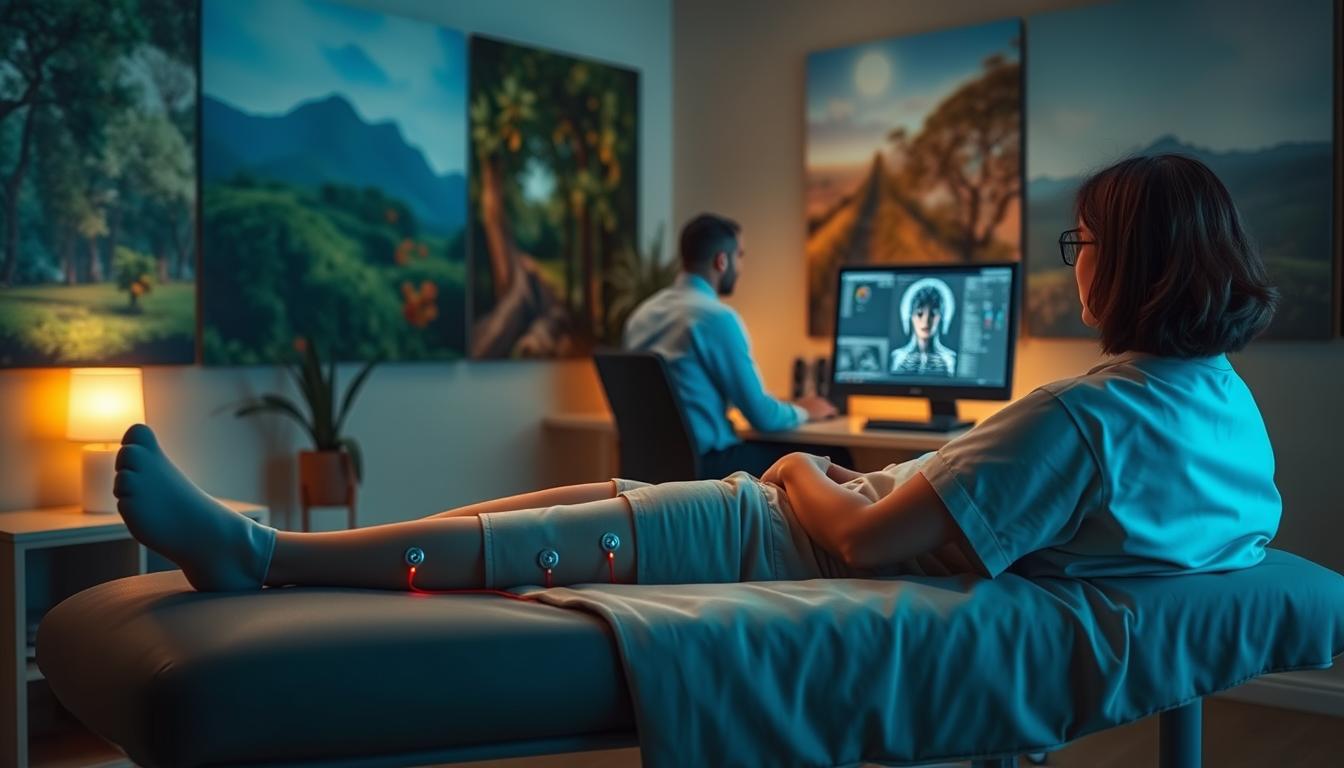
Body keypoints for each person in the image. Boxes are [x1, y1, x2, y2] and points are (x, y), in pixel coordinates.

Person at [115, 154, 1281, 593]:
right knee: (566, 510)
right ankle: (266, 552)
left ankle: (260, 556)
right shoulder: (1228, 419)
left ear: (1129, 264)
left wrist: (800, 474)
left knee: (544, 527)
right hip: (798, 498)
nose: (1072, 265)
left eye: (1081, 244)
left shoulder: (1084, 418)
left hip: (792, 529)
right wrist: (802, 444)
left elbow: (870, 538)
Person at [622, 213, 848, 478]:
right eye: (740, 256)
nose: (741, 267)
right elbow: (762, 416)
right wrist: (804, 410)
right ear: (722, 260)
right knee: (835, 457)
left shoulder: (640, 316)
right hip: (709, 469)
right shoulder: (715, 318)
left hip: (650, 471)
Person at [889, 279, 958, 375]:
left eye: (933, 314)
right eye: (919, 314)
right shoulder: (897, 357)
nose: (926, 322)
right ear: (910, 316)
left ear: (942, 316)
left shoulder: (950, 359)